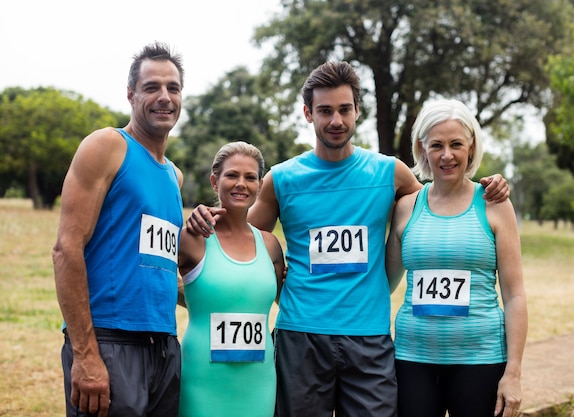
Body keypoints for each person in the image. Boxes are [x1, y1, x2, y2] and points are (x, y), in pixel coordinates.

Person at [187, 61, 510, 416]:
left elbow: (440, 207)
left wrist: (487, 187)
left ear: (358, 111)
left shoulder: (391, 173)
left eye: (344, 109)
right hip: (301, 335)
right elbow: (239, 234)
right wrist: (207, 216)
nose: (336, 120)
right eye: (325, 110)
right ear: (308, 113)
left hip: (369, 336)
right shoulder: (281, 179)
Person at [52, 42, 185, 417]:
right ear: (131, 94)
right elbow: (66, 249)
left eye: (173, 88)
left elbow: (158, 268)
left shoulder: (174, 176)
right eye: (151, 87)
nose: (164, 97)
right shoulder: (108, 145)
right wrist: (86, 355)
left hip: (164, 346)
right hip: (110, 342)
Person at [385, 98, 528, 417]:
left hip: (481, 360)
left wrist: (513, 373)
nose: (446, 155)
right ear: (422, 149)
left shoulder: (494, 204)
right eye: (436, 145)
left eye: (456, 144)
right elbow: (382, 283)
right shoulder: (406, 207)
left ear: (471, 146)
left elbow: (515, 295)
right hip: (412, 360)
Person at [177, 141, 285, 417]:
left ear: (260, 185)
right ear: (215, 182)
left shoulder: (271, 246)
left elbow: (286, 299)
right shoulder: (192, 238)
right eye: (232, 175)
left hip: (258, 381)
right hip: (201, 378)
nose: (241, 184)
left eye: (250, 177)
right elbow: (156, 281)